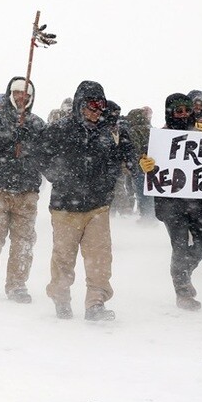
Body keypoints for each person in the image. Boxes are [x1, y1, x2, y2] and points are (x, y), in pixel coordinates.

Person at [38, 80, 133, 321]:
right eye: (91, 106)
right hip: (65, 206)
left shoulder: (107, 134)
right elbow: (39, 156)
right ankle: (60, 298)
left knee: (100, 257)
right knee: (63, 257)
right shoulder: (59, 129)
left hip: (98, 206)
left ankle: (96, 304)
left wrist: (110, 178)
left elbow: (117, 163)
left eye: (100, 107)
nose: (96, 112)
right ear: (80, 105)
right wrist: (60, 176)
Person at [140, 93, 202, 311]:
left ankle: (184, 273)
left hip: (198, 201)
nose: (183, 114)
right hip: (170, 203)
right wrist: (143, 163)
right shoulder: (160, 138)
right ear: (169, 113)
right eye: (178, 111)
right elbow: (143, 156)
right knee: (180, 246)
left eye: (187, 110)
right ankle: (182, 291)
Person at [0, 77, 46, 305]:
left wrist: (30, 142)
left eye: (26, 96)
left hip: (26, 191)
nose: (21, 99)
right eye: (17, 94)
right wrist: (9, 138)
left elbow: (46, 152)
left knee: (24, 241)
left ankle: (17, 284)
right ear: (10, 94)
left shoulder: (36, 123)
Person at [125, 106, 156, 223]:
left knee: (141, 193)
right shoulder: (152, 129)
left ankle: (146, 218)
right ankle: (152, 216)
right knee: (151, 193)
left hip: (140, 166)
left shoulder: (133, 131)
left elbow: (135, 149)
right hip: (153, 166)